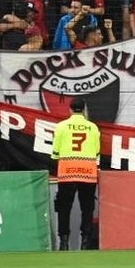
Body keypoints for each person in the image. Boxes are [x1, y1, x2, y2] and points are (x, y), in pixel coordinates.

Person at [51, 95, 101, 250]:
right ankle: (85, 241)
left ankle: (64, 242)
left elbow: (55, 153)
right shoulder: (93, 127)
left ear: (70, 109)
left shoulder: (61, 126)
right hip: (87, 171)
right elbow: (97, 151)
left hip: (67, 171)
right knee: (87, 207)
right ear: (84, 111)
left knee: (64, 207)